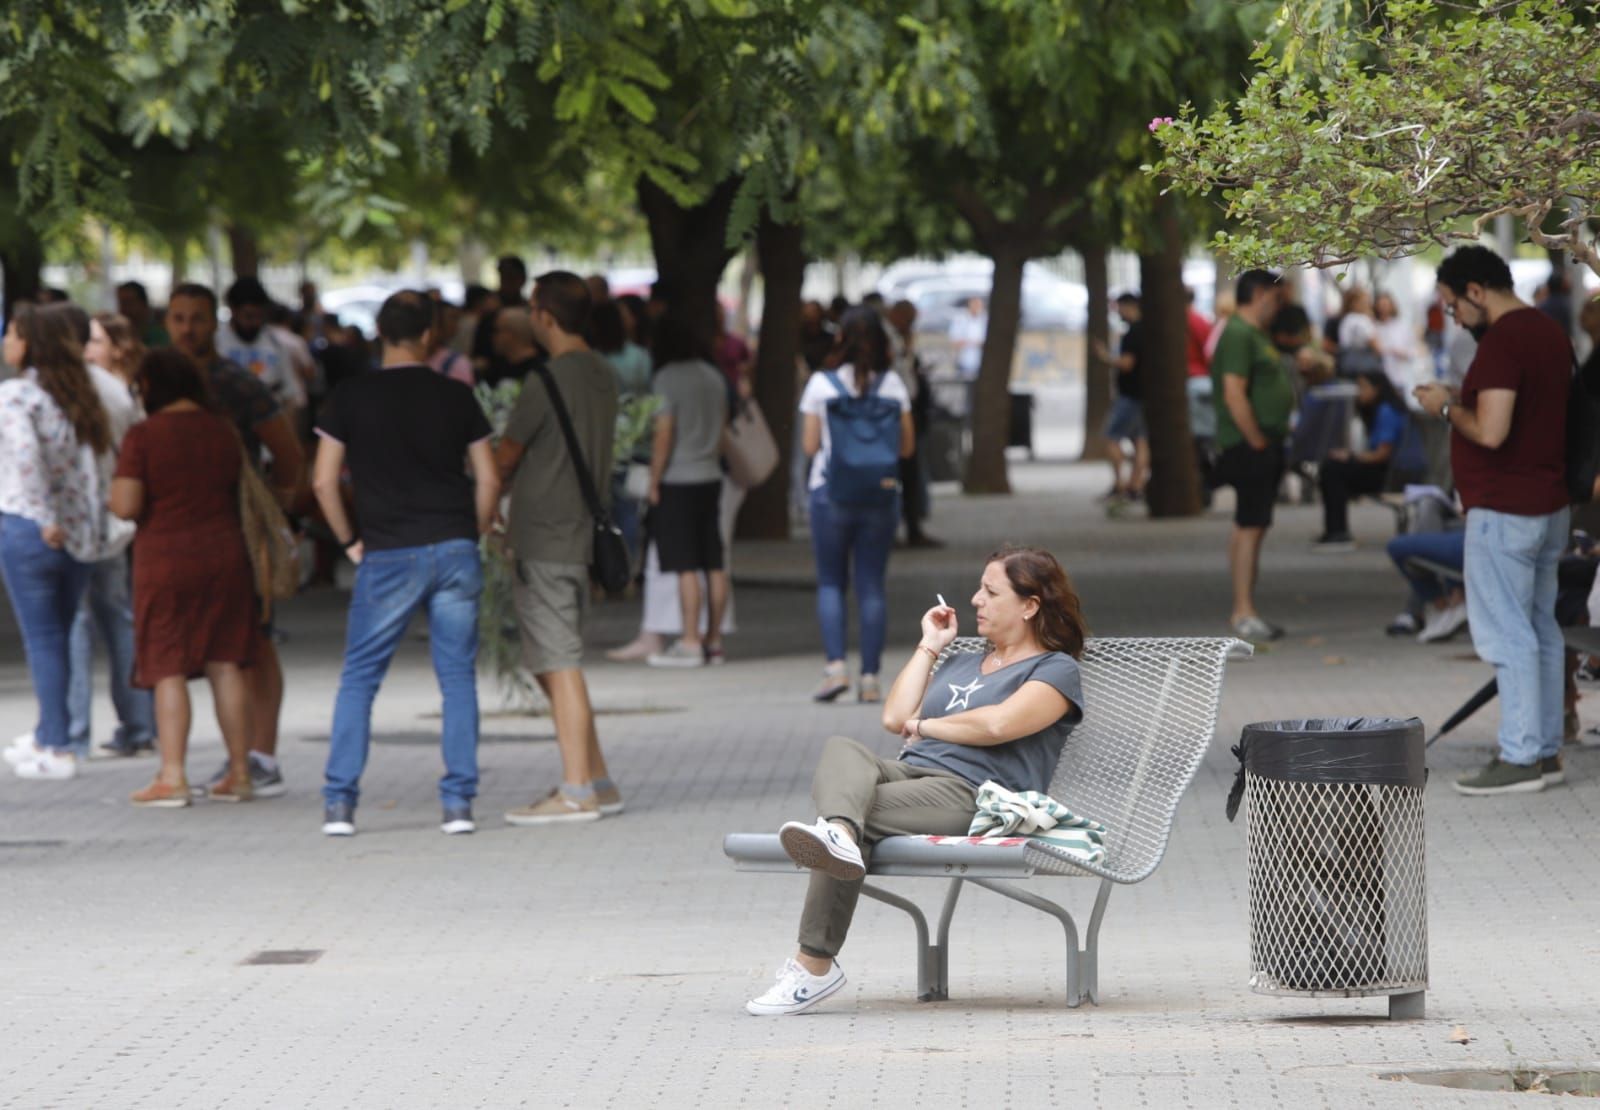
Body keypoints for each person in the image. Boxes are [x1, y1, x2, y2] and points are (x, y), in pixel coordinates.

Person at [744, 546, 1087, 1015]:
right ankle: (839, 835)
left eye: (990, 592)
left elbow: (998, 726)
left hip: (975, 791)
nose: (975, 600)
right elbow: (894, 716)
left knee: (856, 812)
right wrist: (931, 644)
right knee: (841, 750)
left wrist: (926, 727)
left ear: (1029, 605)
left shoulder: (1054, 670)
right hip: (913, 771)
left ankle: (813, 966)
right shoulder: (965, 660)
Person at [311, 291, 500, 836]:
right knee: (457, 677)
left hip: (387, 552)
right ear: (428, 336)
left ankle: (340, 804)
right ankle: (458, 803)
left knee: (360, 679)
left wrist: (348, 540)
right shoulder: (456, 395)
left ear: (380, 333)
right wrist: (478, 529)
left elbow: (323, 480)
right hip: (454, 546)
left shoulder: (349, 397)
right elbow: (488, 477)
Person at [1415, 245, 1575, 796]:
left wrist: (1442, 405)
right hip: (1550, 501)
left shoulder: (1504, 342)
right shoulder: (1550, 332)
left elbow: (1491, 431)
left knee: (1509, 635)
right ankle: (1546, 750)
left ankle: (1521, 755)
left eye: (1452, 304)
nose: (1452, 316)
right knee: (1541, 630)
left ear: (1476, 292)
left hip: (1505, 507)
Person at [164, 282, 303, 797]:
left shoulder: (236, 383)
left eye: (196, 318)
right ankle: (234, 757)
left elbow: (288, 453)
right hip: (180, 533)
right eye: (178, 318)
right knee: (214, 650)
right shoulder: (156, 384)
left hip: (239, 530)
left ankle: (261, 757)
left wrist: (277, 513)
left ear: (212, 321)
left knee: (256, 643)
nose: (187, 328)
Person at [494, 273, 622, 825]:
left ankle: (576, 791)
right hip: (581, 535)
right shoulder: (602, 373)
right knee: (557, 658)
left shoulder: (545, 380)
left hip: (544, 534)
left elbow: (506, 455)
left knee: (560, 661)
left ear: (544, 314)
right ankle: (596, 778)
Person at [107, 350, 259, 805]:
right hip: (226, 554)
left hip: (165, 558)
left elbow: (127, 505)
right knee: (225, 660)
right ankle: (240, 771)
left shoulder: (144, 436)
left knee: (167, 664)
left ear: (150, 386)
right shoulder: (222, 431)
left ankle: (173, 776)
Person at [0, 305, 124, 781]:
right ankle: (50, 731)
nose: (6, 341)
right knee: (60, 633)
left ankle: (55, 742)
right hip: (76, 535)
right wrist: (85, 527)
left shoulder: (19, 395)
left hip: (31, 527)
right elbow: (92, 468)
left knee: (44, 640)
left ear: (29, 342)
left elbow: (27, 459)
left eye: (11, 333)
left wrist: (44, 516)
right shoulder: (79, 395)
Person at [54, 306, 156, 759]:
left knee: (75, 622)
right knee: (118, 619)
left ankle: (72, 734)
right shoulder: (116, 390)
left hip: (72, 521)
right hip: (113, 519)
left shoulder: (55, 390)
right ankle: (138, 724)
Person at [799, 307, 915, 703]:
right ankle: (870, 680)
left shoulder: (821, 384)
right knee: (871, 585)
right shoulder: (893, 385)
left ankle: (835, 669)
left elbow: (810, 447)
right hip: (879, 496)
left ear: (840, 339)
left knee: (831, 582)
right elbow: (907, 447)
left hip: (830, 494)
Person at [643, 317, 731, 667]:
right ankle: (715, 642)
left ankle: (690, 640)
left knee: (685, 565)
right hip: (710, 474)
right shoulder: (714, 376)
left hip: (678, 478)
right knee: (714, 561)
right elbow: (723, 428)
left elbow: (664, 434)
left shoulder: (666, 379)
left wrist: (653, 480)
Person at [1209, 269, 1291, 643]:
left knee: (1252, 526)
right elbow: (1233, 392)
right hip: (1249, 444)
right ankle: (1243, 610)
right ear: (1259, 294)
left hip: (1261, 442)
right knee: (1250, 526)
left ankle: (1245, 607)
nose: (1278, 308)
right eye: (1276, 299)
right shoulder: (1239, 334)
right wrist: (1256, 439)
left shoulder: (1253, 334)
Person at [1311, 369, 1418, 551]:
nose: (1359, 392)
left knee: (1332, 470)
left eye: (1363, 387)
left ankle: (1338, 532)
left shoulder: (1387, 411)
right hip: (1388, 470)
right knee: (1333, 466)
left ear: (1377, 389)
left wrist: (1351, 456)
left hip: (1391, 475)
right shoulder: (1381, 410)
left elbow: (1382, 454)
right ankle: (1334, 530)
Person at [888, 299, 939, 547]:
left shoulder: (901, 339)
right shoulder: (891, 340)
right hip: (897, 412)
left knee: (909, 473)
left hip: (907, 409)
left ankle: (910, 525)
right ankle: (897, 527)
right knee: (899, 472)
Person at [217, 277, 307, 411]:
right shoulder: (216, 342)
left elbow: (291, 394)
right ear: (233, 311)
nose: (255, 323)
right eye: (248, 316)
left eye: (259, 316)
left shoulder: (274, 342)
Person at [1094, 292, 1148, 503]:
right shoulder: (1147, 330)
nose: (1118, 313)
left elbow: (1127, 363)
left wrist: (1106, 357)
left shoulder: (1133, 333)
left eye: (1119, 308)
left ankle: (1119, 483)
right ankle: (1136, 484)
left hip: (1130, 395)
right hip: (1143, 394)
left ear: (1129, 306)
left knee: (1111, 438)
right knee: (1141, 442)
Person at [472, 255, 529, 385]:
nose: (506, 283)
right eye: (504, 277)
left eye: (511, 277)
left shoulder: (531, 310)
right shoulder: (489, 310)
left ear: (522, 279)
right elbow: (480, 353)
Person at [1373, 292, 1420, 395]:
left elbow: (1413, 351)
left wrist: (1400, 353)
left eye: (1385, 305)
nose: (1383, 309)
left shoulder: (1402, 326)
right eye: (1380, 306)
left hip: (1399, 377)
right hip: (1379, 377)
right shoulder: (1373, 326)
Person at [427, 300, 474, 386]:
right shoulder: (458, 363)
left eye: (457, 319)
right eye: (452, 318)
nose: (456, 326)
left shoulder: (457, 363)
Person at [116, 281, 168, 349]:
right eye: (121, 303)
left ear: (143, 303)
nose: (123, 309)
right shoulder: (121, 333)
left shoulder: (161, 333)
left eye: (128, 303)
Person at [948, 296, 987, 382]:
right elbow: (955, 341)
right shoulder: (960, 319)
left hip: (980, 363)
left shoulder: (984, 320)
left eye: (979, 305)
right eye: (974, 304)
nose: (977, 308)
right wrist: (973, 342)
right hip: (963, 361)